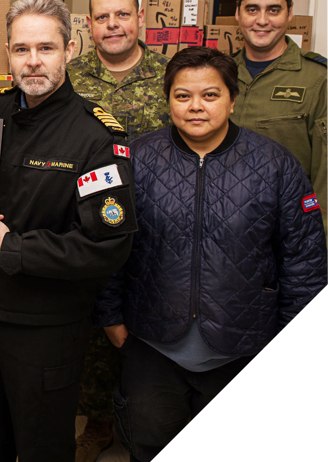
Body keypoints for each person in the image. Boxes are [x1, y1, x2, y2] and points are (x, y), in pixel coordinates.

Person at [0, 0, 138, 462]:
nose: (34, 61)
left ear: (69, 50)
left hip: (48, 328)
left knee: (41, 448)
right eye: (22, 50)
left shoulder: (97, 136)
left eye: (46, 48)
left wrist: (15, 246)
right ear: (8, 55)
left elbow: (109, 246)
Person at [94, 47, 327, 462]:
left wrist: (290, 348)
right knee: (149, 447)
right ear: (168, 101)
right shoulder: (134, 160)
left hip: (244, 348)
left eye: (210, 95)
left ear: (232, 99)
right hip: (153, 344)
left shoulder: (276, 165)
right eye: (182, 96)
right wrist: (110, 317)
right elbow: (110, 244)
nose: (196, 106)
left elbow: (304, 264)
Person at [66, 0, 170, 462]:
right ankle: (98, 420)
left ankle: (156, 418)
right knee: (95, 325)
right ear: (88, 25)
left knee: (155, 318)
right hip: (91, 220)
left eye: (122, 15)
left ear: (139, 18)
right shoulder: (72, 76)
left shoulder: (170, 75)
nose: (113, 25)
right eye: (102, 17)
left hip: (160, 221)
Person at [230, 0, 327, 237]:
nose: (262, 21)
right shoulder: (220, 74)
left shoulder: (317, 79)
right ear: (238, 13)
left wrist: (320, 246)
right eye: (252, 9)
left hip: (288, 232)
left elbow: (325, 176)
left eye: (273, 10)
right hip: (225, 232)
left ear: (289, 13)